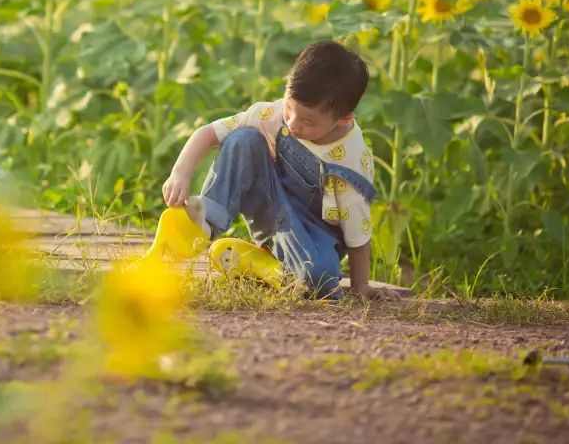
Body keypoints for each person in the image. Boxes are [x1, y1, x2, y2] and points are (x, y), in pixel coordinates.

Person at [162, 40, 400, 300]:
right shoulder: (272, 115)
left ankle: (264, 266)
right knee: (243, 140)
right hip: (269, 203)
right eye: (289, 107)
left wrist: (360, 285)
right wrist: (180, 173)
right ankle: (205, 221)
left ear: (344, 119)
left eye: (308, 121)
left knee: (321, 282)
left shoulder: (350, 159)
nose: (293, 123)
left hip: (311, 235)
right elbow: (208, 133)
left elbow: (357, 230)